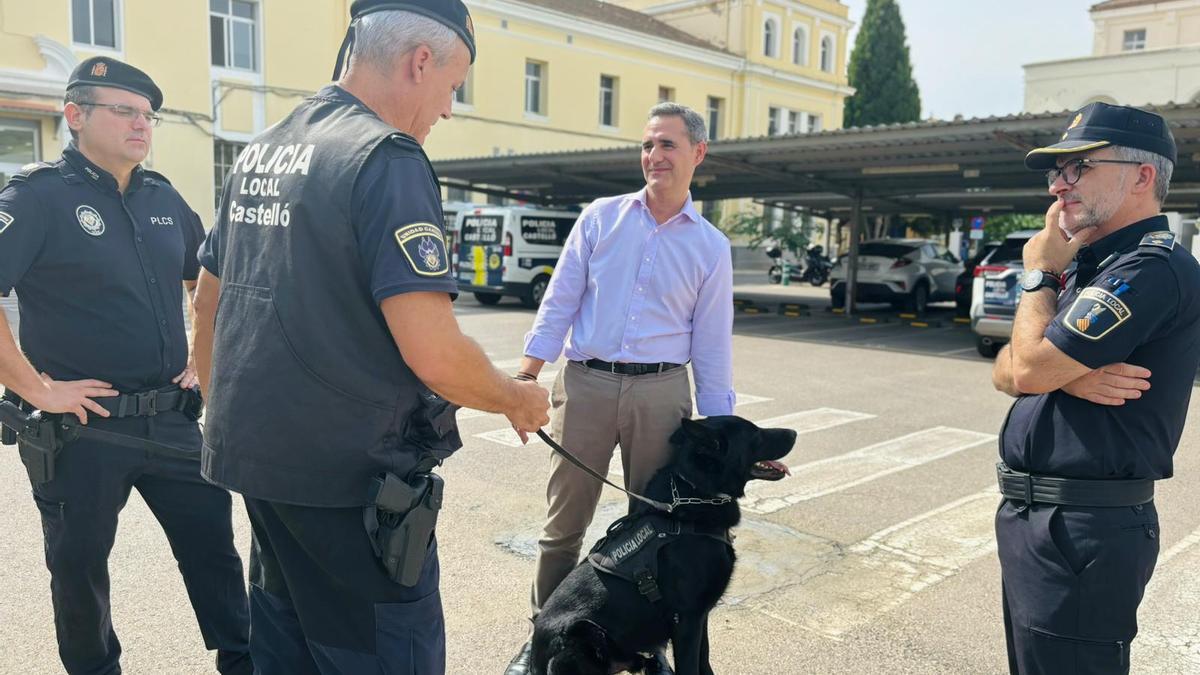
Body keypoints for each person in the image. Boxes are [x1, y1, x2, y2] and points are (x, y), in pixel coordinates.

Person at [190, 1, 550, 673]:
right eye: (451, 87)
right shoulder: (386, 157)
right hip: (350, 490)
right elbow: (435, 352)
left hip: (261, 471)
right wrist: (515, 398)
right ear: (420, 62)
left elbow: (208, 302)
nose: (447, 110)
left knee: (286, 653)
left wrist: (225, 417)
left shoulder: (261, 150)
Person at [0, 57, 252, 674]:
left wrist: (202, 359)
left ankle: (245, 661)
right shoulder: (36, 199)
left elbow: (207, 282)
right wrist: (36, 388)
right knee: (79, 566)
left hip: (170, 420)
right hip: (82, 427)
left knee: (215, 552)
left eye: (149, 115)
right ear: (75, 115)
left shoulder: (163, 197)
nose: (142, 125)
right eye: (124, 111)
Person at [504, 102, 735, 675]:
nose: (654, 156)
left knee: (656, 528)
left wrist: (721, 432)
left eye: (668, 145)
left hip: (661, 395)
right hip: (586, 385)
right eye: (648, 145)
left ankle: (645, 644)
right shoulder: (601, 218)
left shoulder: (710, 246)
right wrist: (527, 378)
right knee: (564, 526)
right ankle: (544, 638)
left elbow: (711, 345)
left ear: (697, 154)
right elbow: (558, 302)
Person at [991, 101, 1200, 674]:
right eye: (1057, 171)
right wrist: (1070, 375)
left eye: (1079, 167)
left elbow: (1027, 370)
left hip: (1083, 529)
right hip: (1041, 520)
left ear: (1142, 175)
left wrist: (1038, 272)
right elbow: (1004, 369)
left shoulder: (1147, 269)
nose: (1059, 186)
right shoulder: (1091, 263)